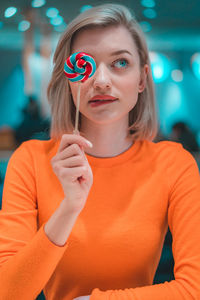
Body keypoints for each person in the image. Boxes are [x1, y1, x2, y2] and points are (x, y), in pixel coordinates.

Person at [0, 4, 200, 300]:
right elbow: (9, 292)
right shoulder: (30, 161)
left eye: (120, 63)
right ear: (70, 78)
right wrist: (70, 206)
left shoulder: (174, 164)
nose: (102, 80)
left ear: (143, 79)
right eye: (87, 64)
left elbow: (194, 287)